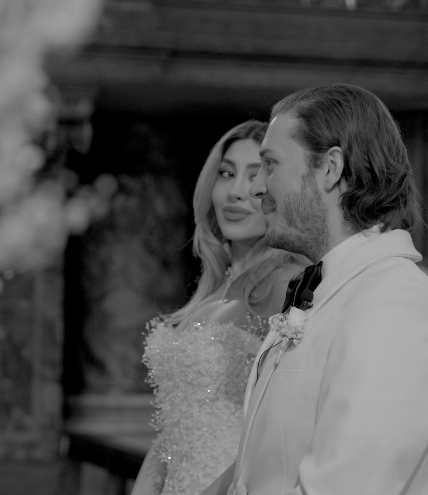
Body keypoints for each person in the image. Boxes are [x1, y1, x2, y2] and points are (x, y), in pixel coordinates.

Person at [200, 83, 428, 495]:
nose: (257, 187)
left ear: (330, 168)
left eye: (270, 164)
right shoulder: (327, 291)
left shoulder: (396, 303)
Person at [131, 120, 306, 495]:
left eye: (255, 175)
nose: (237, 192)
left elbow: (289, 429)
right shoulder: (216, 288)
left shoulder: (289, 283)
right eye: (226, 174)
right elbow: (173, 431)